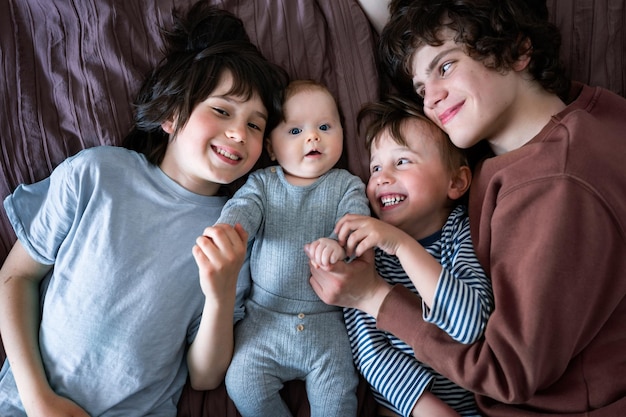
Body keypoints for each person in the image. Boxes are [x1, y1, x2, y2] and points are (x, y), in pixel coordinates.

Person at [310, 0, 626, 416]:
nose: (430, 100)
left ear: (517, 51)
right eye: (421, 89)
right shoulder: (590, 112)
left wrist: (373, 297)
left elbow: (505, 373)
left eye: (445, 68)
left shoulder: (554, 188)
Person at [0, 3, 288, 416]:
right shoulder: (97, 174)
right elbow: (15, 276)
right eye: (222, 110)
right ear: (171, 115)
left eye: (255, 125)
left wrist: (221, 293)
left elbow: (204, 377)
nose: (238, 133)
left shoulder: (235, 232)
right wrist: (39, 400)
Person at [307, 96, 492, 417]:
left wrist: (403, 245)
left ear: (456, 181)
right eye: (375, 167)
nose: (381, 177)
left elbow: (472, 325)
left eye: (402, 162)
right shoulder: (367, 252)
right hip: (409, 408)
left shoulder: (460, 232)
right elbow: (370, 352)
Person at [215, 79, 370, 417]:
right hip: (264, 319)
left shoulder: (347, 185)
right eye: (296, 131)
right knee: (242, 381)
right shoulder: (264, 183)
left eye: (325, 126)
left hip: (327, 325)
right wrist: (230, 228)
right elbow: (245, 207)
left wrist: (339, 243)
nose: (313, 137)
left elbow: (358, 220)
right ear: (271, 148)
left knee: (339, 397)